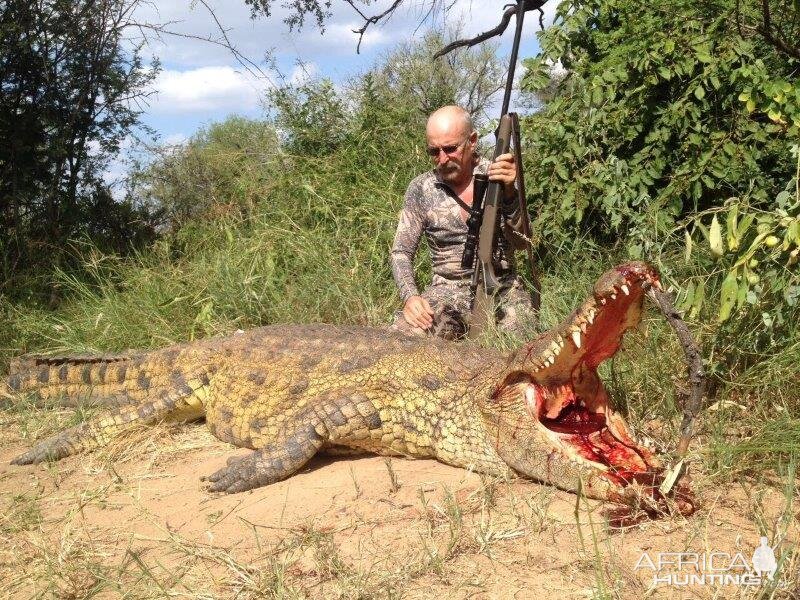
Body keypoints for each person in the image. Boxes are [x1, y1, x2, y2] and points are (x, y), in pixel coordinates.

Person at [389, 105, 536, 339]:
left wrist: (510, 192)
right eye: (434, 152)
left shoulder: (499, 175)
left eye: (450, 149)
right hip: (445, 291)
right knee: (402, 339)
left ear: (473, 141)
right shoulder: (421, 188)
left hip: (502, 287)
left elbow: (523, 244)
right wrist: (411, 297)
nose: (443, 159)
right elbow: (400, 253)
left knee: (524, 351)